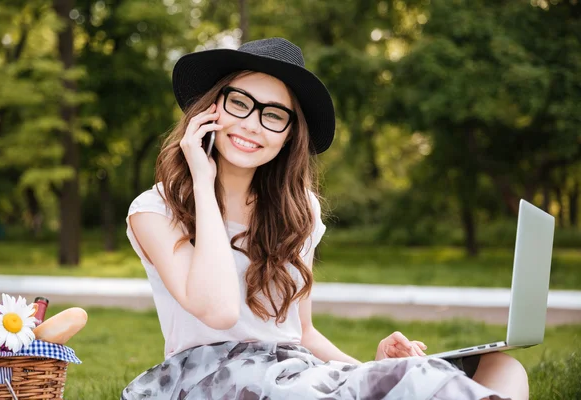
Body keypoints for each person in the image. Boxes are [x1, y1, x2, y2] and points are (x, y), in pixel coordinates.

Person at [121, 37, 528, 399]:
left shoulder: (300, 212)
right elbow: (219, 311)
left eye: (274, 115)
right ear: (212, 108)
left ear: (288, 136)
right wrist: (203, 181)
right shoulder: (155, 211)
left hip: (293, 372)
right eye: (240, 103)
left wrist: (373, 368)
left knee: (502, 368)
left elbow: (302, 334)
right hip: (215, 378)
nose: (252, 124)